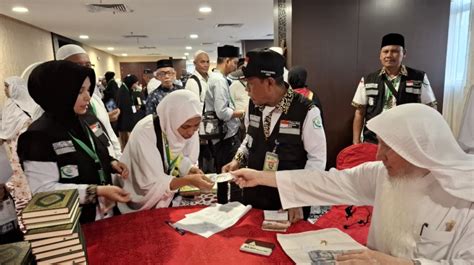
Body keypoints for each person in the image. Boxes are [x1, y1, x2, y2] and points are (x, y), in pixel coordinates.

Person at [233, 103, 474, 264]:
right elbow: (328, 182)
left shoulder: (465, 197)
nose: (379, 155)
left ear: (418, 149)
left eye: (388, 147)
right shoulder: (382, 174)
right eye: (379, 144)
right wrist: (261, 177)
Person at [17, 60, 131, 224]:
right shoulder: (38, 136)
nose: (88, 96)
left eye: (88, 89)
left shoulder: (87, 119)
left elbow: (92, 152)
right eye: (79, 91)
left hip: (106, 213)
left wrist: (111, 163)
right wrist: (95, 191)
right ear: (58, 93)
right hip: (73, 223)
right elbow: (43, 190)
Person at [223, 49, 327, 223]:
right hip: (253, 195)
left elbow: (317, 160)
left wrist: (298, 197)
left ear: (269, 82)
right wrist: (237, 160)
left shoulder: (306, 111)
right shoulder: (253, 105)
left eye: (250, 84)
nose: (247, 91)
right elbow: (249, 139)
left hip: (287, 202)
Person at [117, 90, 214, 213]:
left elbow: (172, 154)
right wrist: (189, 180)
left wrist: (188, 168)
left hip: (164, 198)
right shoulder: (145, 132)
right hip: (136, 197)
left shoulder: (169, 127)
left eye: (196, 126)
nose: (190, 132)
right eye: (185, 126)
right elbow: (150, 183)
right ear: (172, 118)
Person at [352, 33, 437, 144]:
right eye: (385, 51)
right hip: (374, 139)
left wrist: (429, 139)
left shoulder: (419, 77)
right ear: (380, 55)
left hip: (407, 140)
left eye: (395, 51)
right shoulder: (368, 79)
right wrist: (356, 141)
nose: (389, 55)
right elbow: (359, 112)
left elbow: (430, 109)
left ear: (404, 53)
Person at [56, 44, 122, 159]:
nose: (84, 70)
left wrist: (118, 157)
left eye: (87, 65)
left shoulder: (94, 99)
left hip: (109, 164)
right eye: (77, 66)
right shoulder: (49, 106)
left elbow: (106, 134)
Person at [204, 45, 243, 203]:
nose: (235, 67)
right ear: (227, 61)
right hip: (226, 135)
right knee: (233, 173)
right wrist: (241, 112)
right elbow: (222, 112)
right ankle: (234, 206)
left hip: (220, 136)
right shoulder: (219, 81)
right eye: (234, 63)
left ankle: (222, 204)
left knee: (222, 172)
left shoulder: (215, 78)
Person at [1, 76, 37, 203]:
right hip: (13, 146)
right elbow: (6, 127)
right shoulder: (10, 104)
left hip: (22, 144)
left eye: (7, 86)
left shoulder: (22, 103)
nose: (5, 89)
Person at [116, 74, 145, 148]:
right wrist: (135, 108)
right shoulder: (123, 92)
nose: (136, 86)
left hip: (125, 119)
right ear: (131, 83)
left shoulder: (126, 89)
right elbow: (127, 108)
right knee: (126, 144)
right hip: (124, 122)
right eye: (135, 84)